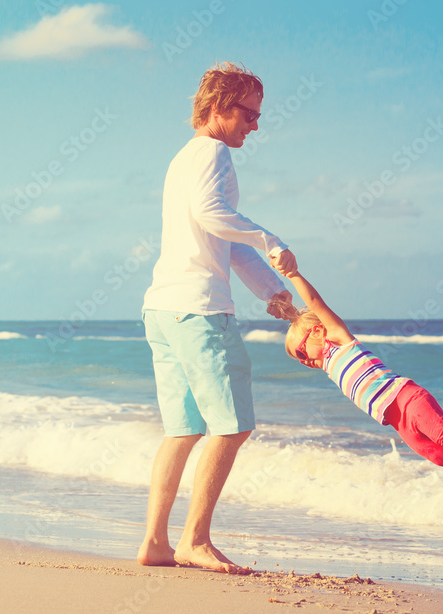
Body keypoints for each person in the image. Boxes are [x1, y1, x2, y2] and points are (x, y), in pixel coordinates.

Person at [137, 62, 297, 574]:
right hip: (199, 311)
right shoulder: (213, 153)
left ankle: (156, 543)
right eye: (248, 114)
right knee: (231, 426)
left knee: (183, 429)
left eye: (257, 115)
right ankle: (195, 541)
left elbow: (220, 241)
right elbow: (213, 217)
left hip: (163, 308)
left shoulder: (183, 159)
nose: (255, 125)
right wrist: (271, 238)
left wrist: (275, 296)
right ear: (217, 108)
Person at [270, 262, 443, 511]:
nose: (304, 361)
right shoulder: (329, 366)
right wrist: (281, 305)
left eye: (301, 352)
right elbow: (297, 318)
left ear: (319, 331)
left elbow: (314, 303)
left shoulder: (338, 338)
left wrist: (293, 274)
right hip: (396, 420)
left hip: (406, 398)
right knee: (439, 455)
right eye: (299, 360)